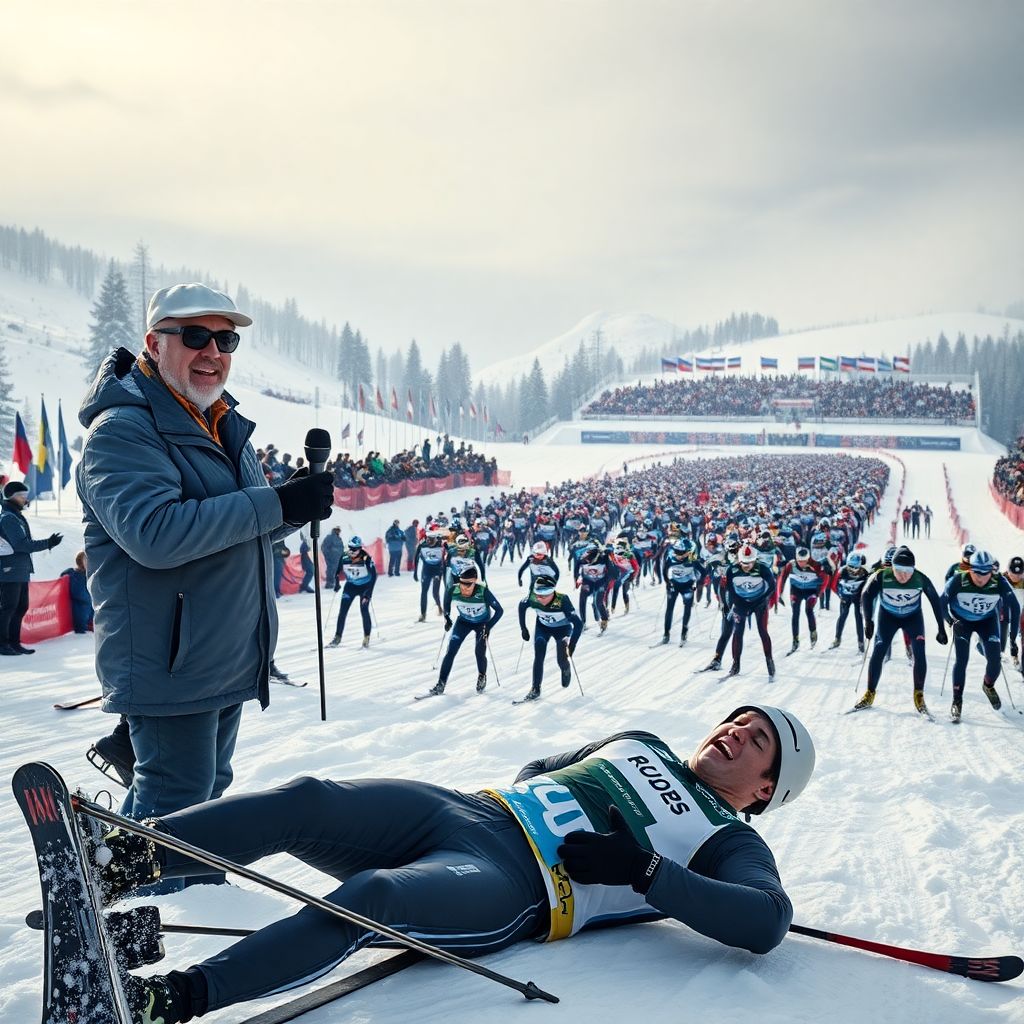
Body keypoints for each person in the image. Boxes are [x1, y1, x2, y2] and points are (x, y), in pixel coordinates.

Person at [97, 704, 815, 1024]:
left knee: (375, 895)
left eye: (757, 742)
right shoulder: (643, 741)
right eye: (738, 720)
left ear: (765, 790)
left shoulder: (730, 839)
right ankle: (118, 858)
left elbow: (766, 922)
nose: (736, 732)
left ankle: (163, 1003)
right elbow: (543, 767)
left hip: (515, 884)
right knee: (308, 798)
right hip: (463, 813)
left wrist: (643, 871)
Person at [76, 282, 334, 836]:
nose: (213, 352)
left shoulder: (216, 420)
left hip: (220, 654)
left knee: (206, 790)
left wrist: (292, 507)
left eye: (225, 340)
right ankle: (149, 887)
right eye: (195, 336)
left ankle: (128, 875)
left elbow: (238, 528)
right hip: (171, 662)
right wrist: (274, 504)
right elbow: (155, 534)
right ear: (154, 343)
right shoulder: (122, 431)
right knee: (178, 800)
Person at [855, 545, 946, 715]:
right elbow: (866, 595)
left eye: (908, 571)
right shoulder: (882, 576)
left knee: (919, 653)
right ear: (892, 567)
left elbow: (935, 601)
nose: (903, 575)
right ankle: (869, 693)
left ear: (914, 569)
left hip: (913, 618)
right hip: (888, 618)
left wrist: (941, 628)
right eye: (898, 570)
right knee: (879, 651)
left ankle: (919, 695)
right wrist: (868, 621)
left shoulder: (920, 578)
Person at [941, 549, 1019, 721]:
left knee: (995, 659)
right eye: (977, 572)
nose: (981, 578)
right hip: (963, 622)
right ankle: (957, 701)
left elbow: (1015, 607)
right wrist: (949, 621)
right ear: (970, 569)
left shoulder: (999, 581)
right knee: (962, 660)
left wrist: (1013, 638)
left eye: (986, 573)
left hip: (987, 622)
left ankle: (988, 685)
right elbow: (941, 602)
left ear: (992, 570)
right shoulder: (958, 580)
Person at [0, 480, 63, 655]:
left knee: (21, 607)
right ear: (12, 497)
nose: (25, 499)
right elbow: (21, 544)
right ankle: (3, 644)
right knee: (9, 608)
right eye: (22, 495)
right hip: (9, 571)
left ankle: (14, 643)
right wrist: (48, 543)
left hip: (20, 569)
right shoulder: (8, 518)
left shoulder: (16, 517)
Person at [423, 565, 503, 695]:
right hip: (463, 622)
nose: (464, 587)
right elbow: (447, 603)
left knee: (479, 652)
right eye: (462, 583)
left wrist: (488, 626)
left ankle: (482, 675)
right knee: (451, 651)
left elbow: (499, 611)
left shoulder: (483, 592)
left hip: (481, 624)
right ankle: (440, 684)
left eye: (468, 584)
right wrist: (447, 617)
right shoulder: (453, 590)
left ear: (475, 581)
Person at [517, 573, 583, 700]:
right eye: (538, 594)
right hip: (543, 628)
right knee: (539, 656)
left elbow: (578, 624)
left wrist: (572, 645)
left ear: (553, 592)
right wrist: (523, 628)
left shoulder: (562, 600)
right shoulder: (533, 598)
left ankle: (565, 668)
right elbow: (521, 606)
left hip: (562, 629)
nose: (540, 598)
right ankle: (535, 688)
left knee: (561, 659)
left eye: (544, 595)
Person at [329, 536, 377, 647]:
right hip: (350, 586)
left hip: (365, 587)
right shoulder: (344, 556)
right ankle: (337, 637)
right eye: (350, 548)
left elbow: (374, 576)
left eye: (355, 549)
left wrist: (368, 594)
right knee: (342, 612)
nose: (352, 551)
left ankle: (366, 637)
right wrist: (337, 583)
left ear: (360, 548)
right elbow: (337, 572)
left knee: (364, 610)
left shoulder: (366, 558)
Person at [61, 549, 94, 633]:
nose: (89, 562)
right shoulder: (76, 575)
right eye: (86, 560)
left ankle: (91, 623)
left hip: (89, 611)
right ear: (80, 562)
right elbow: (78, 594)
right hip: (80, 611)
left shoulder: (87, 575)